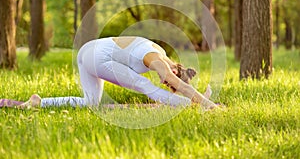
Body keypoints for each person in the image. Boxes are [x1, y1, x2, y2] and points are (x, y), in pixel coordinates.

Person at [19, 36, 218, 109]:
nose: (165, 82)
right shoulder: (158, 59)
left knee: (91, 103)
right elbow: (180, 84)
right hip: (96, 56)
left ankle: (40, 102)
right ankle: (194, 107)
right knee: (145, 86)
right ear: (174, 69)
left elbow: (181, 84)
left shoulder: (158, 51)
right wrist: (207, 104)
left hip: (87, 51)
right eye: (169, 81)